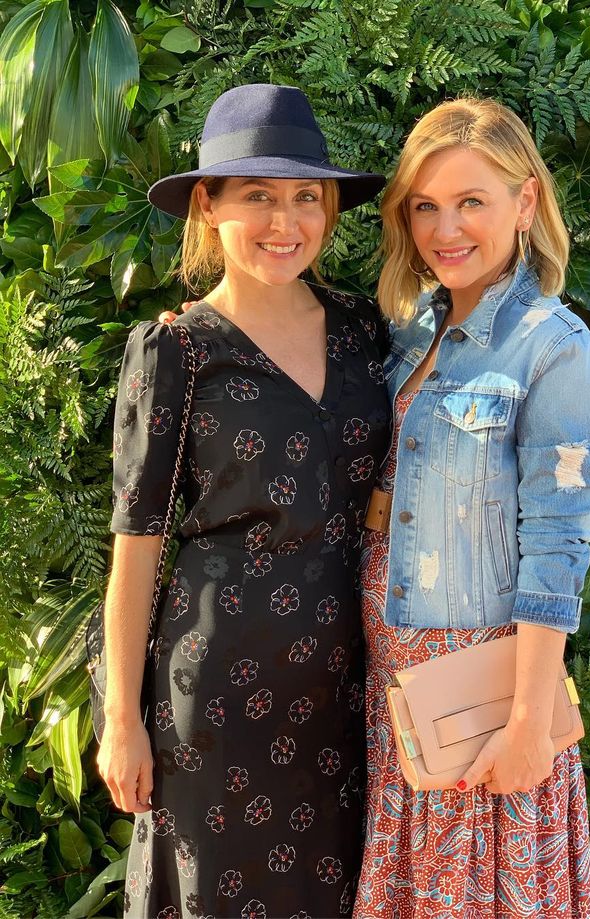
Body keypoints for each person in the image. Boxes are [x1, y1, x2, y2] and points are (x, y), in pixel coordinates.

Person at [97, 83, 389, 919]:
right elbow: (137, 544)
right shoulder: (176, 349)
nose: (285, 221)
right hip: (216, 698)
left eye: (307, 195)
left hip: (344, 689)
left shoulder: (362, 328)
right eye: (257, 195)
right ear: (207, 203)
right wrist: (122, 718)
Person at [355, 97, 590, 917]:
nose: (446, 229)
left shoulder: (555, 351)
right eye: (426, 207)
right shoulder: (411, 333)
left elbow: (557, 546)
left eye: (472, 201)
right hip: (392, 683)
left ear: (526, 202)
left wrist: (528, 724)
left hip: (475, 696)